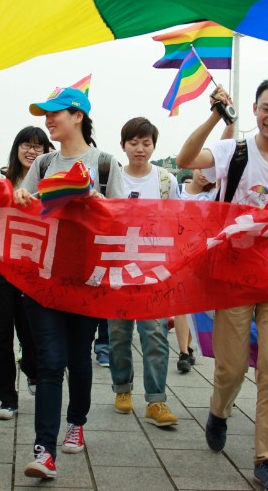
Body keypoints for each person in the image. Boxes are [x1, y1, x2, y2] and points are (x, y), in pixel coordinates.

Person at [177, 79, 268, 491]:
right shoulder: (231, 152)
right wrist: (216, 115)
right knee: (231, 369)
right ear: (254, 108)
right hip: (233, 279)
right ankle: (219, 410)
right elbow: (184, 160)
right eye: (266, 108)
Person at [15, 85, 124, 481]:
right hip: (43, 280)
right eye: (45, 112)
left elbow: (124, 218)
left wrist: (96, 201)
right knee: (50, 362)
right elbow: (19, 202)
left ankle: (76, 420)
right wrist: (21, 200)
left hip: (87, 280)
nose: (49, 118)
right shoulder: (42, 164)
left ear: (77, 115)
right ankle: (44, 451)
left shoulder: (106, 163)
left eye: (55, 112)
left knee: (79, 360)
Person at [109, 116, 180, 426]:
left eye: (146, 143)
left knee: (155, 333)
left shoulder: (166, 180)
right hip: (118, 266)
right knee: (118, 332)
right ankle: (122, 388)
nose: (140, 149)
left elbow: (179, 224)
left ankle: (156, 401)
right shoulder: (113, 178)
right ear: (123, 145)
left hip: (155, 268)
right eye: (134, 142)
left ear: (154, 146)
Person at [0, 126, 53, 420]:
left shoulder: (51, 185)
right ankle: (6, 398)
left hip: (36, 267)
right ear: (16, 149)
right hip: (1, 265)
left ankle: (33, 371)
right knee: (0, 334)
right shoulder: (2, 182)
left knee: (32, 331)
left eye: (39, 147)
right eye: (26, 145)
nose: (32, 151)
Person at [174, 168, 216, 373]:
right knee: (181, 304)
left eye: (211, 171)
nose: (204, 174)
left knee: (193, 304)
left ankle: (188, 346)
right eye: (202, 168)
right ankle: (183, 351)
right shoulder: (176, 189)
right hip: (177, 255)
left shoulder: (213, 196)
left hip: (202, 256)